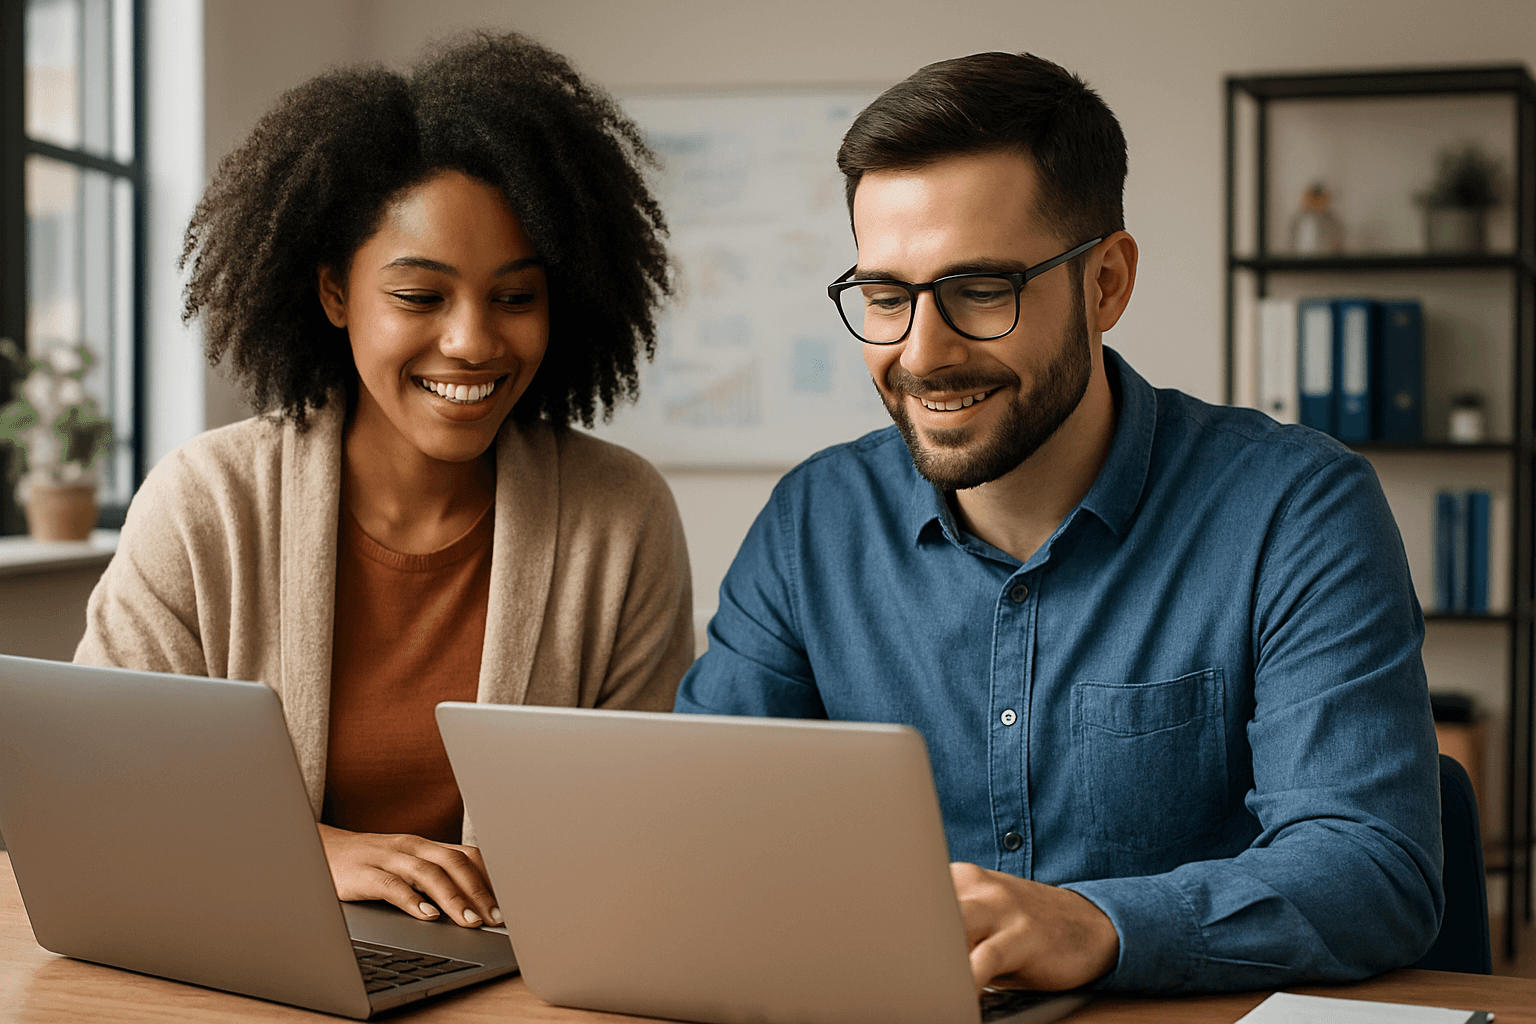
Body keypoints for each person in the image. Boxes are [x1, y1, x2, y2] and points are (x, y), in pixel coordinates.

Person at [676, 52, 1440, 994]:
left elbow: (1373, 872)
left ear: (1107, 283)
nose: (921, 353)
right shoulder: (812, 524)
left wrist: (1102, 926)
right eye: (885, 297)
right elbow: (702, 829)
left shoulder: (1297, 510)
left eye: (981, 290)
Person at [76, 33, 693, 934]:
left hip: (523, 975)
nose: (474, 342)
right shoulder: (206, 502)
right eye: (421, 297)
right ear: (335, 293)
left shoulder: (620, 516)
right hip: (248, 957)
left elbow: (655, 820)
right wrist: (314, 850)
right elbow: (97, 792)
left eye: (516, 297)